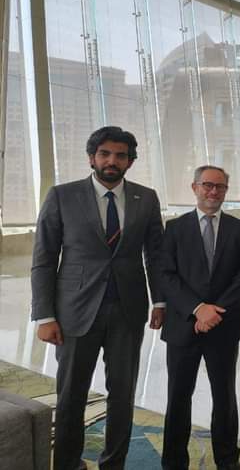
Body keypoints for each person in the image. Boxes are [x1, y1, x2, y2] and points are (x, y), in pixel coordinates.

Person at [31, 126, 164, 470]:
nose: (111, 161)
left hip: (127, 311)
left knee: (122, 395)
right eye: (104, 154)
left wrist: (160, 301)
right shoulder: (62, 196)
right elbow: (44, 259)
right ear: (92, 158)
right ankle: (67, 464)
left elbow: (156, 255)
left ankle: (113, 463)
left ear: (130, 161)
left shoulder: (146, 198)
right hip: (74, 313)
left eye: (120, 155)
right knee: (71, 394)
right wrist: (44, 315)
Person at [160, 165, 240, 470]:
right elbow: (166, 275)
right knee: (178, 398)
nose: (214, 192)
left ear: (226, 190)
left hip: (222, 327)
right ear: (194, 187)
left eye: (220, 187)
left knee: (224, 397)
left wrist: (214, 310)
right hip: (183, 325)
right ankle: (174, 462)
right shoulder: (174, 228)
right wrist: (198, 308)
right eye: (207, 185)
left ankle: (227, 460)